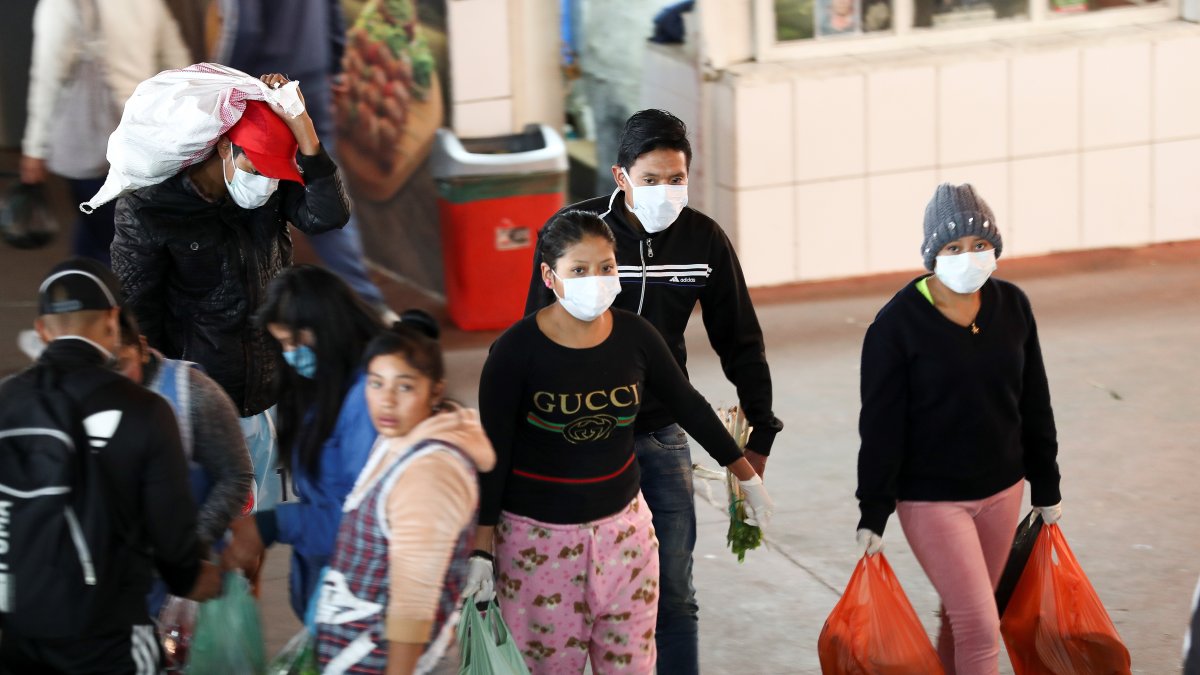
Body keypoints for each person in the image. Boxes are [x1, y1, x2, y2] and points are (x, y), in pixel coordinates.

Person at [523, 109, 783, 674]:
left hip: (662, 436)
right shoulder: (577, 232)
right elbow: (532, 342)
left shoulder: (703, 240)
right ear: (621, 177)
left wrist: (758, 435)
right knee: (575, 595)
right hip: (578, 437)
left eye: (677, 180)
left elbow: (740, 340)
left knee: (673, 591)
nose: (666, 192)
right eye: (651, 180)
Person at [111, 73, 352, 518]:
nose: (263, 182)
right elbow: (137, 317)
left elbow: (329, 214)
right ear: (225, 146)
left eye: (273, 173)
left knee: (262, 528)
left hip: (273, 390)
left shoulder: (272, 192)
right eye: (255, 168)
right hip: (209, 404)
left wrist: (306, 133)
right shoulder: (149, 211)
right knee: (223, 537)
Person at [854, 183, 1063, 675]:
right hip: (932, 500)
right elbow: (881, 426)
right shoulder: (896, 326)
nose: (968, 256)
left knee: (962, 617)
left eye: (979, 245)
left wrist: (1045, 484)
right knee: (978, 624)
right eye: (953, 247)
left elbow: (1034, 397)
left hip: (1002, 490)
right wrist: (874, 509)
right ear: (932, 255)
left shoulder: (1012, 306)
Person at [0, 257, 220, 674]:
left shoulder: (5, 400)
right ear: (111, 322)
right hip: (109, 636)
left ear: (43, 331)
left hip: (18, 636)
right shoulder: (146, 410)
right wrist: (191, 577)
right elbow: (172, 532)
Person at [314, 314, 496, 675]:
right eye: (376, 383)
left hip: (384, 659)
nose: (387, 401)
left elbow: (414, 601)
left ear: (435, 390)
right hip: (359, 648)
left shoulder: (430, 472)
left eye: (405, 386)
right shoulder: (399, 439)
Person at [220, 265, 382, 620]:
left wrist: (273, 524)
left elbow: (362, 519)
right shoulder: (319, 388)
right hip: (330, 592)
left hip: (362, 600)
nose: (292, 354)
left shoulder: (368, 402)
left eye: (297, 340)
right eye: (283, 344)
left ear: (330, 325)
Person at [217, 0, 395, 320]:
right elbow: (333, 15)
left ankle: (260, 309)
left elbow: (246, 28)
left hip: (264, 89)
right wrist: (336, 65)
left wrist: (224, 80)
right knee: (321, 184)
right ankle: (369, 304)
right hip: (311, 77)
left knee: (253, 190)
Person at [21, 0, 190, 266]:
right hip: (142, 135)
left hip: (89, 140)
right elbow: (176, 62)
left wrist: (35, 148)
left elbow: (48, 77)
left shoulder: (62, 4)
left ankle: (97, 296)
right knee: (125, 227)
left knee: (100, 231)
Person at [114, 305, 259, 611]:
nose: (113, 381)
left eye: (120, 364)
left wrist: (192, 547)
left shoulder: (193, 393)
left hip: (192, 585)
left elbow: (235, 473)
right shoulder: (86, 394)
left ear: (140, 347)